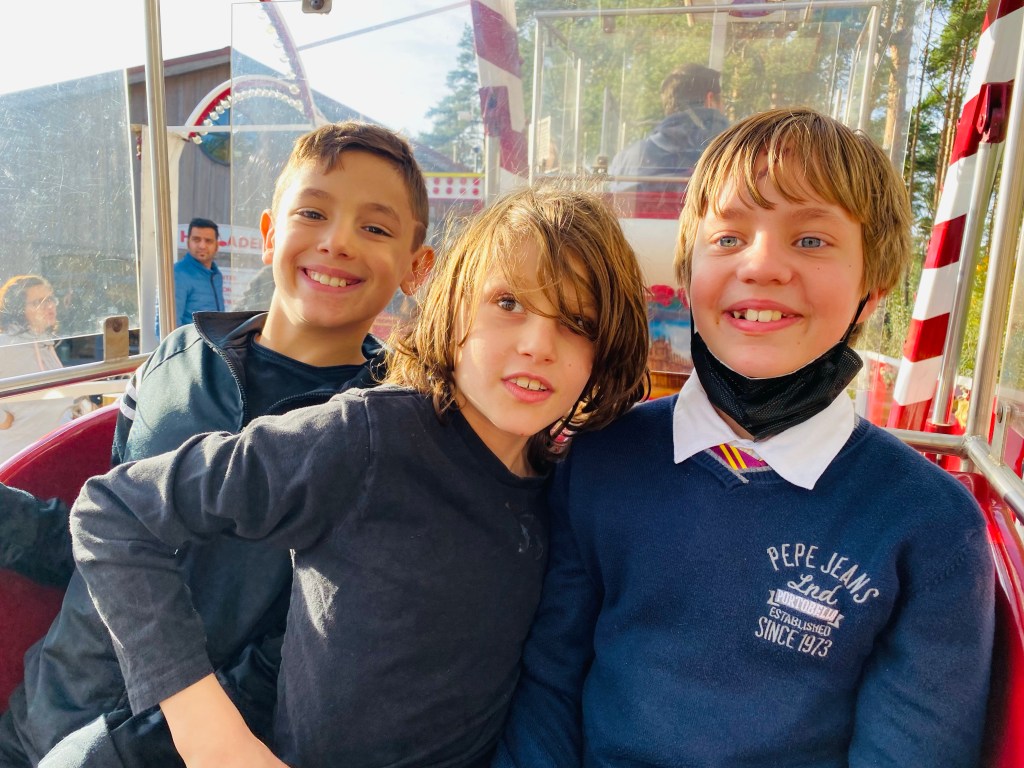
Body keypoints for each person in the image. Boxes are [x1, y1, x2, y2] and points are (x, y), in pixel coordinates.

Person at [67, 185, 651, 768]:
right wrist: (213, 737)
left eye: (577, 321)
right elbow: (115, 512)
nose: (538, 344)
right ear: (453, 306)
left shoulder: (564, 486)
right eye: (508, 302)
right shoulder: (366, 436)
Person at [495, 108, 995, 767]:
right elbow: (548, 688)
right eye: (728, 238)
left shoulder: (930, 525)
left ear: (873, 290)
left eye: (810, 240)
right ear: (688, 275)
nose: (761, 266)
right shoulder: (600, 459)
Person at [0, 120, 435, 768]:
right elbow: (97, 537)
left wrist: (114, 753)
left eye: (375, 227)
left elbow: (299, 655)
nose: (337, 241)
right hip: (38, 717)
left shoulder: (389, 435)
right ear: (269, 234)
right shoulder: (176, 358)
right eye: (312, 213)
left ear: (416, 267)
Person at [608, 63, 729, 193]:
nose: (724, 109)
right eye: (723, 102)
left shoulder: (626, 161)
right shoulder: (731, 154)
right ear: (710, 100)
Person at [0, 275, 76, 464]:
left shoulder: (44, 342)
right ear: (18, 310)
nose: (48, 306)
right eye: (37, 302)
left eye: (50, 299)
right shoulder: (6, 343)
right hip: (17, 458)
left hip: (52, 451)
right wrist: (2, 419)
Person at [173, 217, 224, 327]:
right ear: (188, 243)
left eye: (208, 241)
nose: (202, 246)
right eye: (196, 240)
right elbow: (168, 324)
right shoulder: (178, 273)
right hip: (191, 339)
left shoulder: (216, 275)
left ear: (217, 246)